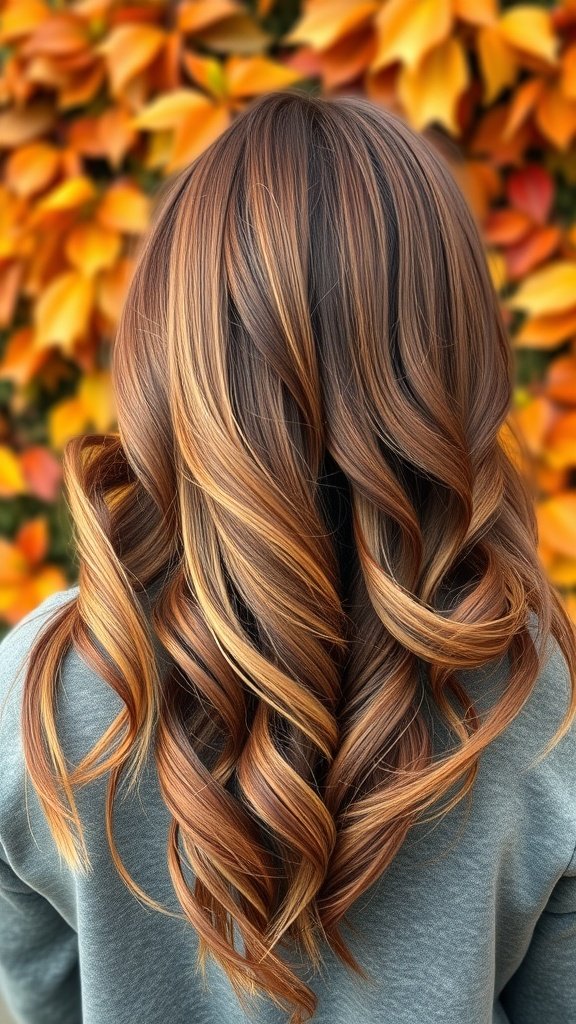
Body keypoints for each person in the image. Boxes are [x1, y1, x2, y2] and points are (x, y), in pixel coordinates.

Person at [0, 88, 575, 1024]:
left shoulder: (37, 698)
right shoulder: (537, 703)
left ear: (169, 351)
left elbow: (46, 1003)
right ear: (453, 360)